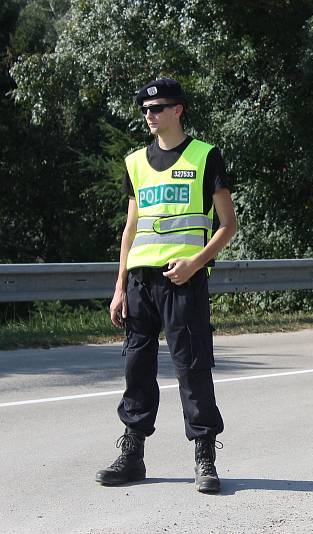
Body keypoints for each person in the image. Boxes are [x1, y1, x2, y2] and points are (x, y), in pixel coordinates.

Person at [96, 78, 236, 494]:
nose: (149, 116)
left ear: (178, 110)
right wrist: (120, 284)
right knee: (136, 368)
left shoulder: (205, 156)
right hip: (141, 281)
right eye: (145, 109)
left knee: (192, 368)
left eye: (157, 108)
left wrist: (196, 262)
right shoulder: (135, 162)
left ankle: (205, 456)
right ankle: (133, 453)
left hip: (184, 279)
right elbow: (131, 226)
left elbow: (228, 225)